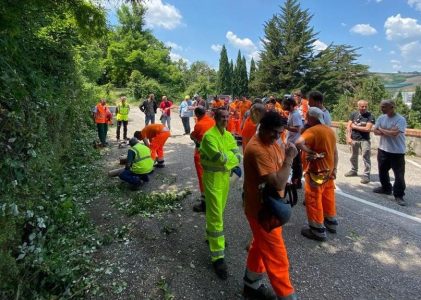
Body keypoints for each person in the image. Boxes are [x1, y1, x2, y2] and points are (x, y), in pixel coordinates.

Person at [243, 110, 298, 300]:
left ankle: (251, 284)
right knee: (277, 256)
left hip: (268, 206)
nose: (277, 137)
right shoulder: (257, 149)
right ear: (263, 128)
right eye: (274, 132)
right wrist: (290, 159)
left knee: (260, 245)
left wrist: (287, 156)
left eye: (280, 132)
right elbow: (278, 182)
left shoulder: (271, 142)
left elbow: (280, 161)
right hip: (261, 210)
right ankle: (287, 296)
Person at [199, 108, 241, 280]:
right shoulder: (209, 137)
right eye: (222, 117)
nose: (225, 119)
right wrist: (230, 158)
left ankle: (211, 236)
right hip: (212, 180)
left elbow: (238, 155)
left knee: (218, 212)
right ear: (215, 118)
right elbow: (220, 158)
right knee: (216, 215)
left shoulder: (228, 135)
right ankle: (217, 257)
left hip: (224, 178)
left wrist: (230, 158)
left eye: (226, 117)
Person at [296, 107, 338, 242]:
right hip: (329, 170)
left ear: (312, 118)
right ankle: (331, 222)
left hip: (317, 172)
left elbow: (298, 142)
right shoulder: (329, 131)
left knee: (314, 198)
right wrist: (335, 168)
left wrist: (310, 152)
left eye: (307, 116)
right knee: (328, 196)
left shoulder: (312, 131)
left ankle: (317, 229)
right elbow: (335, 152)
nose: (306, 118)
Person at [373, 100, 407, 206]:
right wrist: (388, 131)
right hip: (383, 149)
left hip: (397, 152)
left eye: (384, 107)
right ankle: (386, 188)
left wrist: (382, 129)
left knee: (399, 175)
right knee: (382, 171)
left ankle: (399, 195)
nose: (382, 109)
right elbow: (375, 131)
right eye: (381, 106)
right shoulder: (381, 117)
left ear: (392, 107)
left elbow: (395, 134)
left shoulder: (400, 119)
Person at [190, 107, 216, 212]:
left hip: (202, 154)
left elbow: (194, 136)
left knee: (202, 178)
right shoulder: (212, 120)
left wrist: (192, 136)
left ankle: (205, 204)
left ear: (197, 115)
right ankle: (212, 199)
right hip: (213, 154)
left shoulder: (199, 124)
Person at [345, 100, 375, 184]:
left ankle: (366, 175)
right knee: (353, 156)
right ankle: (354, 170)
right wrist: (348, 137)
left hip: (364, 140)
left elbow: (367, 129)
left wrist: (355, 126)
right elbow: (348, 126)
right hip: (354, 139)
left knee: (366, 157)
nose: (364, 108)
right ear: (358, 107)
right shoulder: (353, 114)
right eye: (362, 106)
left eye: (365, 106)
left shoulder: (370, 116)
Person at [282, 96, 303, 188]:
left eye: (286, 105)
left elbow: (298, 129)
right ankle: (294, 180)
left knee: (296, 163)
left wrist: (285, 127)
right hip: (290, 141)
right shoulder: (291, 113)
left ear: (291, 105)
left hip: (295, 143)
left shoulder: (295, 115)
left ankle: (297, 182)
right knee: (292, 162)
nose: (284, 106)